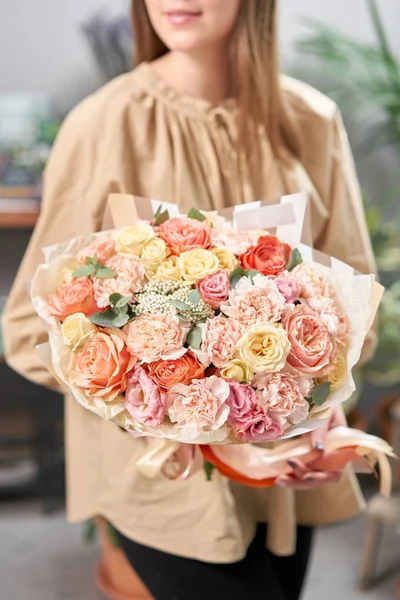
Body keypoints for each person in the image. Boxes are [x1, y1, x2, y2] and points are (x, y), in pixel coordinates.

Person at [3, 1, 376, 598]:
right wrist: (159, 406)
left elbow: (356, 301)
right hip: (164, 486)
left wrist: (313, 404)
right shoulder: (104, 123)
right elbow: (29, 325)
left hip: (282, 473)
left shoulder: (311, 118)